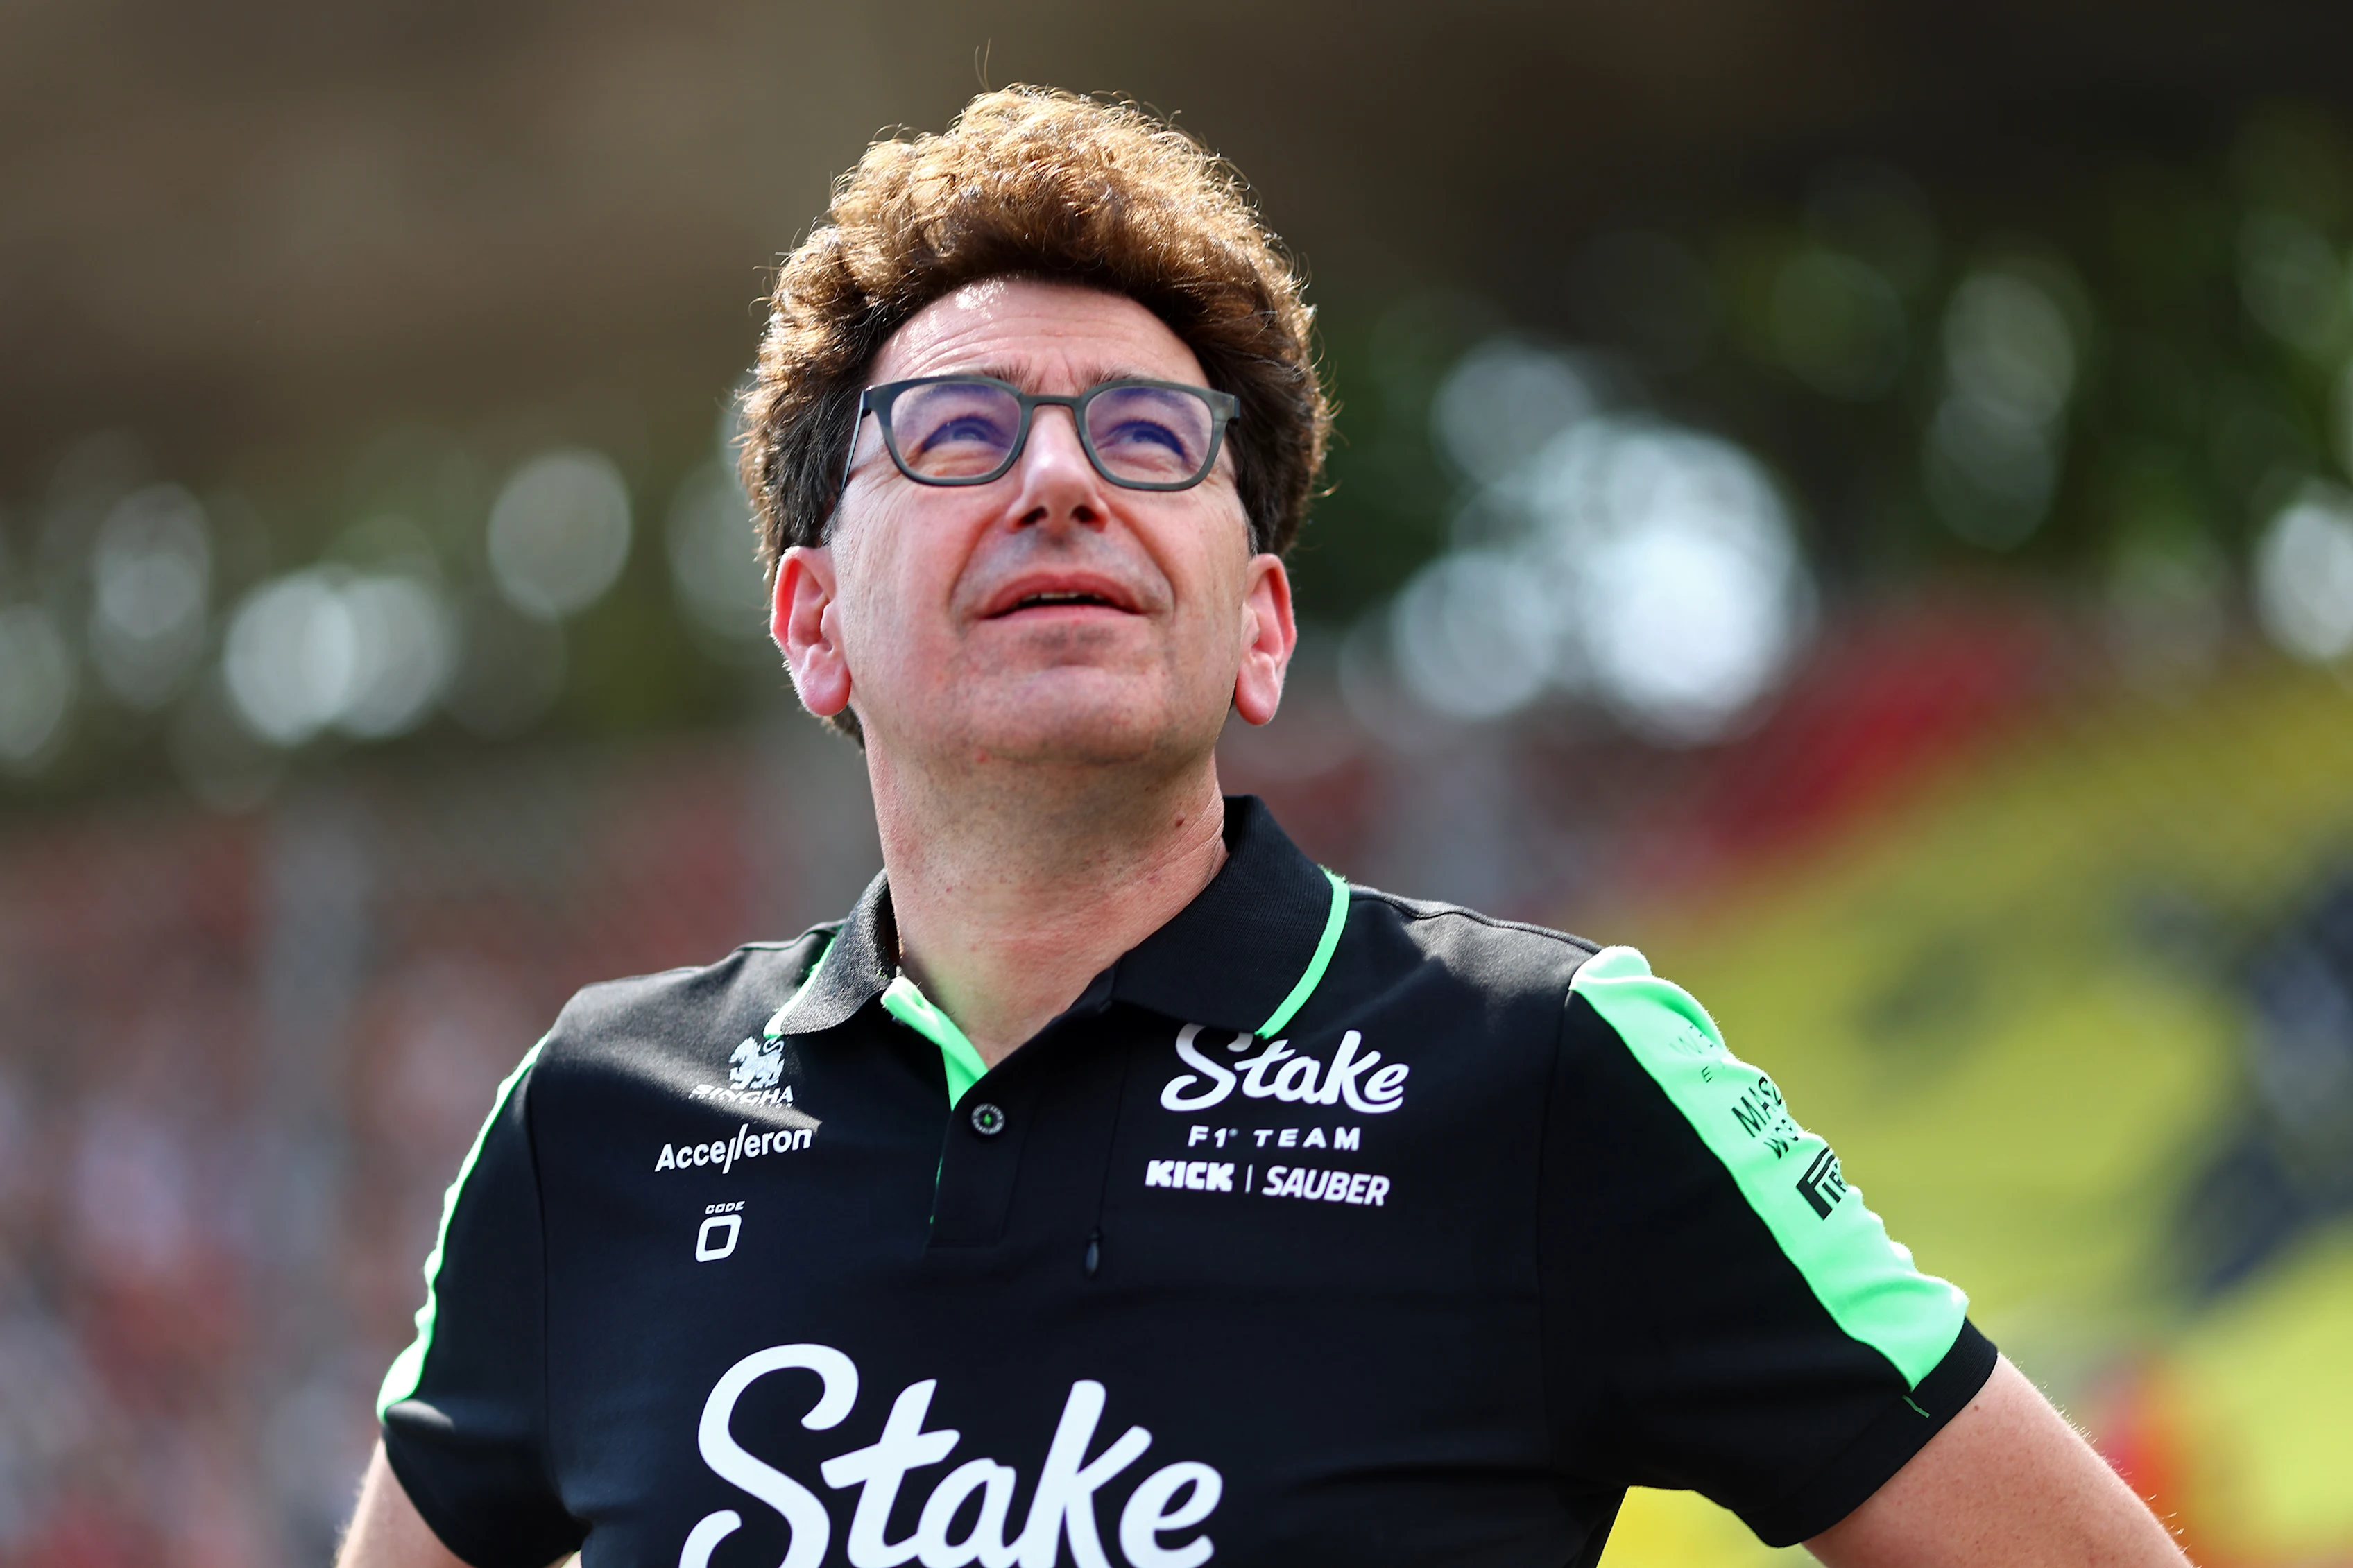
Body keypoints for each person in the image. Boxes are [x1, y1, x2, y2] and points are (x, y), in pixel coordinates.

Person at [339, 89, 2191, 1568]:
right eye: (962, 434)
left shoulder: (1551, 1068)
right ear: (815, 621)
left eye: (1149, 437)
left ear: (1263, 625)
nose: (1062, 478)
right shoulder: (594, 1118)